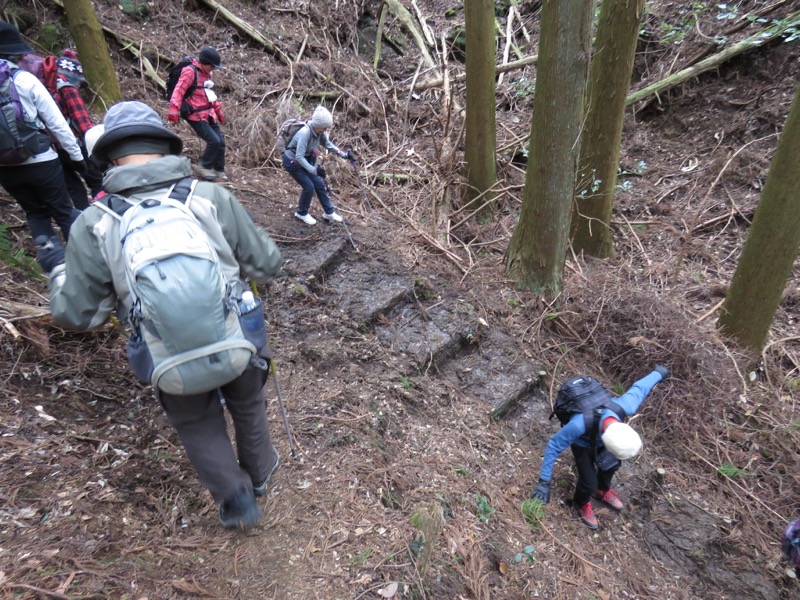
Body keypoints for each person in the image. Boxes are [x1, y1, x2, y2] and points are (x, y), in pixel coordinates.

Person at [38, 100, 283, 530]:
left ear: (110, 158)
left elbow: (79, 314)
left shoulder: (95, 223)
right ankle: (260, 474)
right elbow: (266, 264)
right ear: (167, 149)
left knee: (196, 421)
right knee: (248, 400)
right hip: (237, 335)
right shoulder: (208, 196)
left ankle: (237, 499)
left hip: (165, 352)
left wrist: (59, 272)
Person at [531, 365, 670, 529]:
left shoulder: (626, 407)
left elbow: (640, 388)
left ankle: (601, 490)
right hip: (582, 443)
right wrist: (544, 482)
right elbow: (554, 445)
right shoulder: (578, 425)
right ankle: (580, 503)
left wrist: (658, 374)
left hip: (600, 437)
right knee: (588, 481)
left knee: (612, 464)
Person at [0, 23, 85, 242]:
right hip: (41, 160)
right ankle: (86, 266)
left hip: (6, 168)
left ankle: (53, 264)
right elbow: (57, 124)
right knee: (65, 213)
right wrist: (77, 157)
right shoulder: (25, 79)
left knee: (36, 214)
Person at [48, 50, 103, 209]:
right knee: (97, 182)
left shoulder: (46, 86)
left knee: (74, 187)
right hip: (77, 145)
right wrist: (95, 143)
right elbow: (82, 120)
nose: (79, 86)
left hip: (56, 148)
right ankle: (104, 214)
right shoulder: (68, 88)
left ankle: (82, 219)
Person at [282, 105, 354, 225]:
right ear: (318, 125)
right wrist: (314, 170)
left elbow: (328, 144)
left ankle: (329, 212)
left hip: (306, 159)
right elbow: (299, 156)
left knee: (319, 184)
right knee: (309, 186)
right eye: (324, 127)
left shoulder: (319, 133)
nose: (326, 129)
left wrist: (344, 155)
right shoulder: (305, 133)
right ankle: (301, 213)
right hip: (292, 162)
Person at [166, 46, 226, 181]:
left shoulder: (207, 74)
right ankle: (204, 167)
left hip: (209, 113)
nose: (214, 69)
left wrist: (218, 110)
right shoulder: (190, 72)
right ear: (205, 63)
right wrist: (173, 108)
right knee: (214, 141)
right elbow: (179, 90)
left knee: (221, 143)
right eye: (212, 66)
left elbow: (210, 94)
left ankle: (219, 170)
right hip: (195, 115)